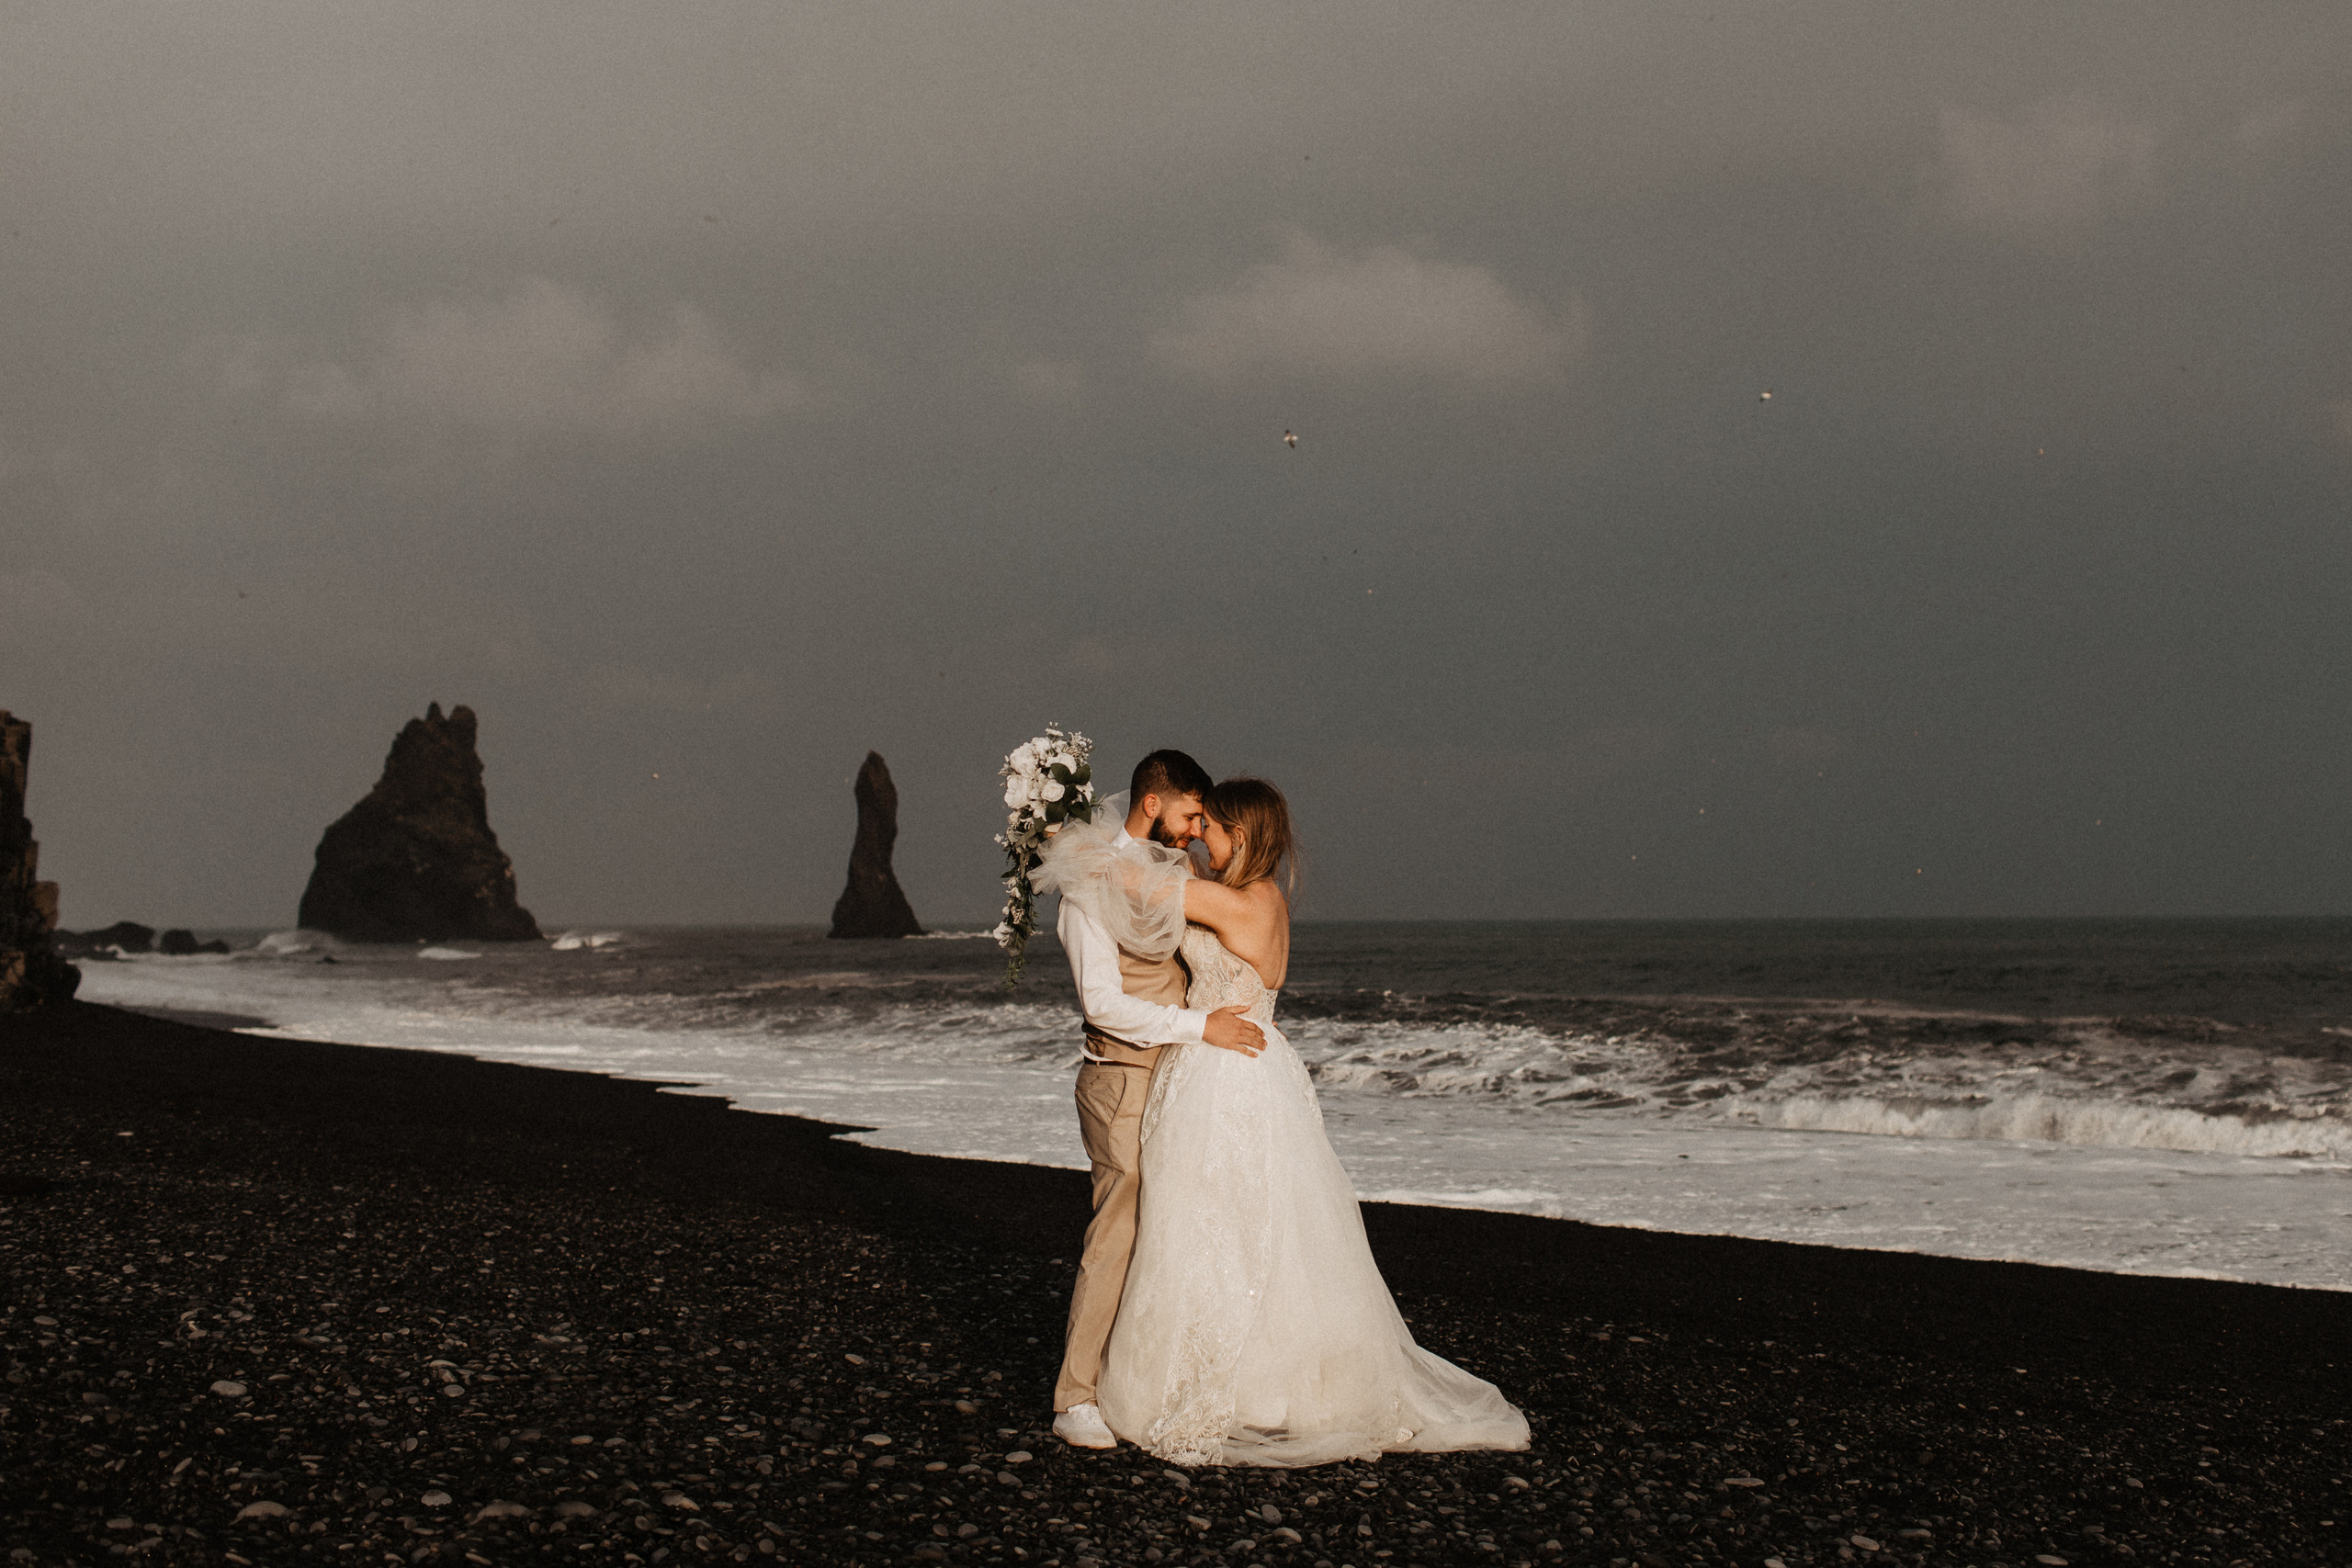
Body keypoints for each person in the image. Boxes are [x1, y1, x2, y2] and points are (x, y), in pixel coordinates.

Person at [1068, 776, 1531, 1466]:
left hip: (1226, 1074)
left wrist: (1065, 836)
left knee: (1218, 1225)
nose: (1198, 838)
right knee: (1256, 1230)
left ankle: (1228, 1387)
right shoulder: (1262, 897)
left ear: (1242, 836)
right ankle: (1269, 1384)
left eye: (1210, 828)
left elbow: (1132, 884)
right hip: (1251, 1065)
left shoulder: (1234, 902)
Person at [1040, 750, 1268, 1451]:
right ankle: (1074, 1397)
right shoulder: (1087, 880)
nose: (1197, 829)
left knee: (1169, 1230)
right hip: (1121, 1075)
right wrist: (1202, 1026)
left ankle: (1136, 1381)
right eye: (1192, 812)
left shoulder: (1172, 870)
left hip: (1178, 1077)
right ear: (1153, 803)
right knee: (1117, 1230)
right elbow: (1103, 1003)